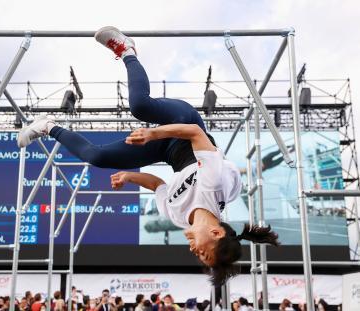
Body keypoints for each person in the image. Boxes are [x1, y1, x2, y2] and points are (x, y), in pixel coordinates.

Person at [17, 26, 280, 285]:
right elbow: (195, 133)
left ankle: (47, 126)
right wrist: (153, 134)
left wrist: (129, 176)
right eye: (203, 252)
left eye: (199, 257)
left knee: (97, 158)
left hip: (167, 151)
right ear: (216, 232)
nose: (194, 252)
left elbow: (157, 184)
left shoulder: (178, 217)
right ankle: (127, 50)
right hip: (186, 125)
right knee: (140, 106)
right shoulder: (216, 187)